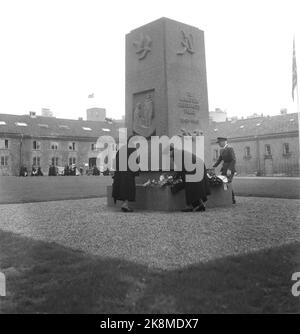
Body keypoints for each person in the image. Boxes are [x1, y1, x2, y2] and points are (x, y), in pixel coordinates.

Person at [171, 145, 210, 212]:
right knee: (196, 186)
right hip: (198, 165)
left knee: (190, 185)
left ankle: (194, 206)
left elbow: (180, 168)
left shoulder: (176, 154)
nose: (169, 156)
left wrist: (175, 178)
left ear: (171, 151)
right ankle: (200, 205)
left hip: (194, 168)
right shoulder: (180, 152)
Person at [112, 137, 139, 212]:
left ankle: (124, 204)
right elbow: (135, 163)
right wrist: (136, 173)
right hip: (128, 173)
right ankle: (125, 205)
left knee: (122, 189)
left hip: (119, 173)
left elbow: (115, 162)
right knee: (128, 189)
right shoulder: (132, 149)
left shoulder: (121, 149)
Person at [212, 136, 236, 204]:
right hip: (224, 169)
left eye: (219, 142)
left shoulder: (230, 148)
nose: (219, 144)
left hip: (230, 169)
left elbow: (233, 159)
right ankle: (229, 198)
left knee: (227, 182)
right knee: (224, 183)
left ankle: (232, 199)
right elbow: (220, 159)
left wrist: (230, 169)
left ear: (224, 142)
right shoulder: (221, 150)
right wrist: (214, 166)